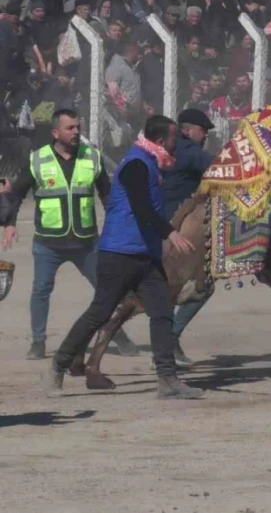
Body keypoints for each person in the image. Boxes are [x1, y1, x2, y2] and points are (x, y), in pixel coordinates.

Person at [45, 116, 203, 400]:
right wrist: (172, 234)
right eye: (172, 139)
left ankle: (167, 379)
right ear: (159, 141)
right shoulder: (135, 165)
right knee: (99, 313)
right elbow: (142, 208)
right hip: (118, 254)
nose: (176, 145)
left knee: (162, 312)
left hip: (146, 257)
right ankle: (59, 363)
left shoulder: (153, 163)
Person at [2, 109, 139, 360]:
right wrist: (10, 223)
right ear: (55, 132)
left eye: (78, 127)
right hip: (48, 243)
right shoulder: (37, 160)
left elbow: (106, 195)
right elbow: (18, 193)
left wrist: (118, 222)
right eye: (70, 128)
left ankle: (116, 336)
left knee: (106, 291)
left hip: (86, 242)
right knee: (41, 290)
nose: (76, 132)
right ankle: (38, 342)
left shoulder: (92, 157)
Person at [162, 108, 216, 364]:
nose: (205, 136)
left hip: (155, 225)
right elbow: (220, 171)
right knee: (202, 286)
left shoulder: (166, 147)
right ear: (189, 130)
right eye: (203, 131)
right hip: (177, 231)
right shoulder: (191, 151)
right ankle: (169, 340)